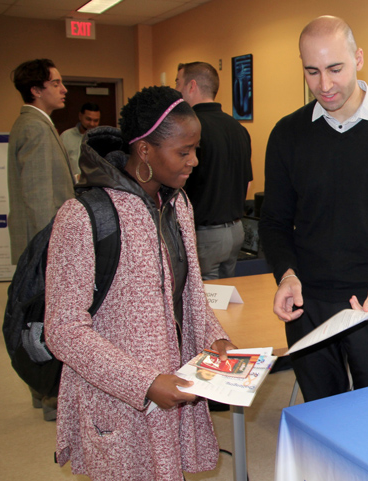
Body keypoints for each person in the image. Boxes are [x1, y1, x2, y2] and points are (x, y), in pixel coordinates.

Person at [44, 86, 237, 480]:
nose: (194, 161)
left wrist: (214, 338)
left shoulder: (178, 203)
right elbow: (62, 329)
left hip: (176, 382)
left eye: (195, 149)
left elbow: (190, 293)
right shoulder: (83, 216)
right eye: (183, 152)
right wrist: (145, 382)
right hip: (118, 397)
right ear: (145, 150)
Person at [259, 16, 368, 402]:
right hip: (309, 307)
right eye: (312, 71)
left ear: (358, 58)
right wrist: (286, 275)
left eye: (335, 69)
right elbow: (273, 221)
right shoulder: (288, 134)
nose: (324, 85)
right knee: (323, 422)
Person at [7, 58, 75, 421]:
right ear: (37, 89)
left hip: (42, 246)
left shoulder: (38, 125)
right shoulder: (35, 128)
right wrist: (52, 255)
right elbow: (39, 199)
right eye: (57, 82)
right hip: (45, 248)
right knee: (44, 324)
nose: (63, 89)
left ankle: (41, 392)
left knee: (40, 321)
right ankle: (50, 396)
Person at [176, 61, 252, 280]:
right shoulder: (238, 129)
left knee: (206, 303)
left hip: (205, 233)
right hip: (236, 231)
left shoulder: (190, 128)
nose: (177, 90)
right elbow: (246, 182)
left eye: (178, 83)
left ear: (191, 86)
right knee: (225, 299)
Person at [60, 102, 101, 178]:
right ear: (80, 116)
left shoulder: (102, 139)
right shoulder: (66, 136)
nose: (92, 124)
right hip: (71, 184)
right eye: (88, 119)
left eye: (96, 121)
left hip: (94, 185)